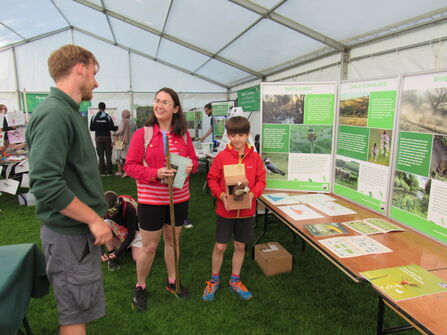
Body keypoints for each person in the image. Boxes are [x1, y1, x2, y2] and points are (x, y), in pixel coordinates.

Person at [25, 44, 112, 335]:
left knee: (78, 311)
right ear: (80, 68)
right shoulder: (55, 114)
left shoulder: (68, 111)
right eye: (94, 72)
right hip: (68, 237)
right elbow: (45, 184)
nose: (96, 82)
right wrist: (93, 218)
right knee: (73, 317)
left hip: (75, 237)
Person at [124, 87, 198, 311]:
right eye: (157, 101)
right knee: (149, 246)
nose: (159, 105)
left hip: (179, 198)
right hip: (151, 200)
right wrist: (155, 174)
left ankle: (172, 281)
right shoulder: (143, 134)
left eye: (165, 102)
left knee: (173, 241)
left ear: (175, 109)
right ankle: (140, 286)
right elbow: (129, 166)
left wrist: (189, 166)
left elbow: (193, 161)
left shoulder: (183, 135)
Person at [203, 116, 266, 302]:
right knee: (220, 246)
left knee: (240, 245)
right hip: (225, 211)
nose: (237, 139)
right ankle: (214, 280)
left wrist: (253, 194)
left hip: (246, 212)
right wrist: (221, 195)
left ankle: (235, 280)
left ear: (247, 135)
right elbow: (212, 178)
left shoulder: (254, 157)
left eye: (241, 135)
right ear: (228, 136)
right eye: (232, 135)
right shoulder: (222, 156)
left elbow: (262, 180)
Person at [102, 191, 143, 271]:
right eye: (108, 212)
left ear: (118, 204)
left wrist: (118, 252)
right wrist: (101, 252)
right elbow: (99, 231)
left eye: (112, 211)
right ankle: (112, 258)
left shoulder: (128, 208)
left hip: (135, 232)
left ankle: (134, 247)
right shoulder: (104, 209)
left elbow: (131, 233)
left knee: (138, 258)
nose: (111, 215)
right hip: (121, 233)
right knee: (104, 224)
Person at [90, 101, 117, 176]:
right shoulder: (107, 117)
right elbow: (112, 128)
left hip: (98, 137)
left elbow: (91, 128)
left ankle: (102, 172)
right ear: (105, 108)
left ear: (98, 108)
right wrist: (117, 128)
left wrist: (98, 128)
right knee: (108, 155)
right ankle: (109, 172)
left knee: (100, 155)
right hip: (107, 137)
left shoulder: (94, 117)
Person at [113, 109, 137, 177]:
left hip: (122, 142)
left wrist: (115, 133)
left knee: (118, 157)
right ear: (129, 115)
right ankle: (128, 171)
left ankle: (120, 171)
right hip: (131, 142)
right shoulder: (133, 122)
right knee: (127, 157)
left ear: (123, 115)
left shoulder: (123, 121)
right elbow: (135, 131)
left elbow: (120, 131)